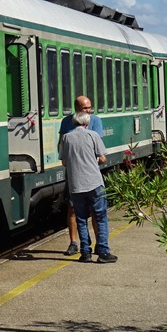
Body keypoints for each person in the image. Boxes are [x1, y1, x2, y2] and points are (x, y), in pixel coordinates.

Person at [59, 109, 117, 263]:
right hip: (94, 182)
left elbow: (64, 162)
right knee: (100, 217)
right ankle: (103, 252)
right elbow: (102, 158)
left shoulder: (66, 138)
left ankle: (85, 253)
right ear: (87, 122)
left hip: (76, 184)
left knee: (81, 219)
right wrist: (91, 161)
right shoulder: (93, 135)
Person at [59, 95, 103, 256]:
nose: (89, 110)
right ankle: (73, 243)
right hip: (74, 174)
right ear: (77, 109)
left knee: (94, 210)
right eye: (85, 108)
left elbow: (98, 148)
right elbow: (61, 146)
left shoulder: (95, 121)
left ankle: (98, 244)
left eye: (90, 107)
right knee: (72, 209)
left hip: (90, 173)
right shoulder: (66, 122)